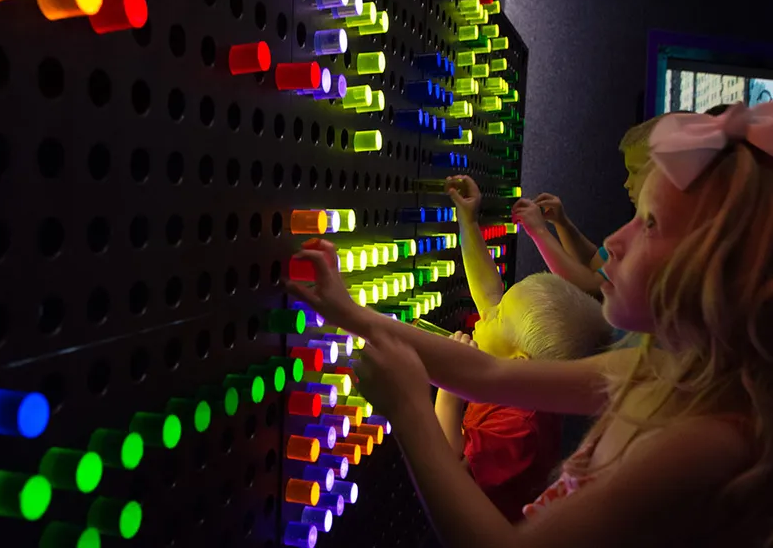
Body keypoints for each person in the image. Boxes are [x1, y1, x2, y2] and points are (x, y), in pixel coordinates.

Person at [286, 101, 773, 546]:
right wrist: (350, 313)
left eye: (647, 223)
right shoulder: (654, 369)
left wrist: (411, 410)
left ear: (722, 270)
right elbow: (486, 374)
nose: (616, 243)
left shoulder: (710, 445)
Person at [433, 175, 612, 522]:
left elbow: (449, 471)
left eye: (498, 317)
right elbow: (488, 295)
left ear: (519, 360)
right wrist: (468, 220)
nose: (487, 314)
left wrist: (448, 392)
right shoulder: (524, 384)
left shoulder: (519, 430)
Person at [518, 106, 731, 298]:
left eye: (636, 172)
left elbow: (589, 288)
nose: (627, 183)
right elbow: (595, 262)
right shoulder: (649, 228)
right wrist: (562, 224)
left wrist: (539, 231)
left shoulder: (664, 239)